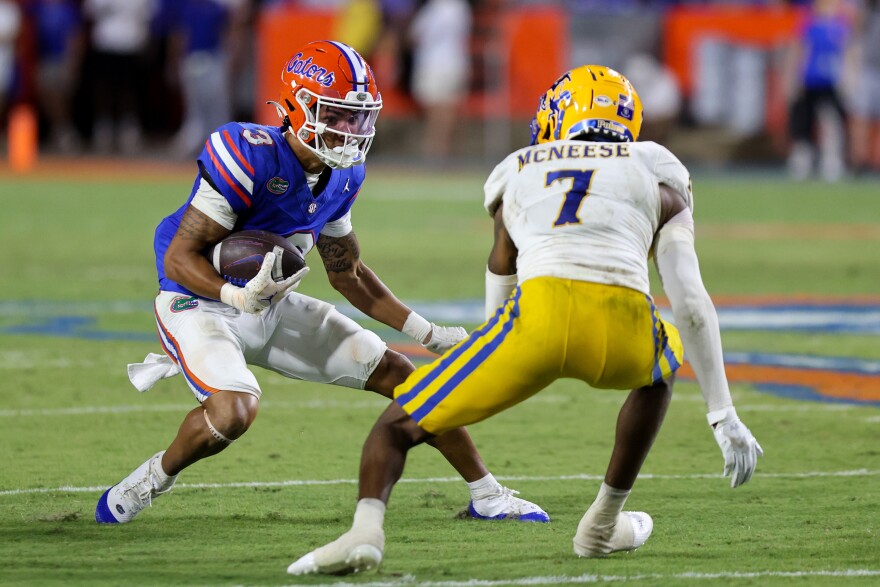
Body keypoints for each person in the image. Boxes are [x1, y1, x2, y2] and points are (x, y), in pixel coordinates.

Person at [288, 65, 764, 576]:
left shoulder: (518, 166)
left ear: (559, 114)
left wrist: (494, 358)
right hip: (621, 328)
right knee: (661, 367)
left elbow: (501, 267)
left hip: (535, 322)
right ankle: (602, 523)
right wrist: (723, 414)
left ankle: (365, 534)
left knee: (397, 427)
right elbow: (689, 301)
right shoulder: (657, 167)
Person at [94, 40, 547, 526]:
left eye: (360, 117)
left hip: (269, 303)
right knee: (232, 413)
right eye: (338, 115)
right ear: (298, 105)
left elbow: (346, 271)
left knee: (407, 379)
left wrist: (429, 334)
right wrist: (235, 294)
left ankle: (489, 496)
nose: (351, 130)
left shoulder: (343, 174)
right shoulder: (248, 155)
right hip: (198, 301)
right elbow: (179, 258)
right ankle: (152, 478)